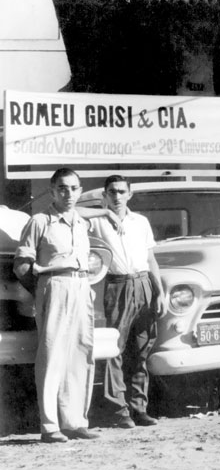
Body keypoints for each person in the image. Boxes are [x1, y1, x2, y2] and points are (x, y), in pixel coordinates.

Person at [13, 168, 100, 442]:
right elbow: (22, 265)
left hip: (82, 286)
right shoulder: (40, 221)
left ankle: (75, 422)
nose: (69, 194)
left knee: (81, 353)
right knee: (52, 356)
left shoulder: (82, 224)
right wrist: (42, 291)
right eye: (62, 188)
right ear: (52, 191)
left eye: (74, 188)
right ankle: (50, 426)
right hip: (54, 285)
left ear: (80, 190)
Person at [87, 174, 164, 428]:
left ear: (130, 194)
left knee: (142, 349)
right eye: (112, 192)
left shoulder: (140, 222)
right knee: (115, 349)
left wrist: (159, 291)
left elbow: (150, 259)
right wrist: (106, 214)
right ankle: (119, 411)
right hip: (117, 285)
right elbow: (71, 211)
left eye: (122, 192)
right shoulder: (95, 221)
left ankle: (139, 409)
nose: (117, 196)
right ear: (104, 195)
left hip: (144, 283)